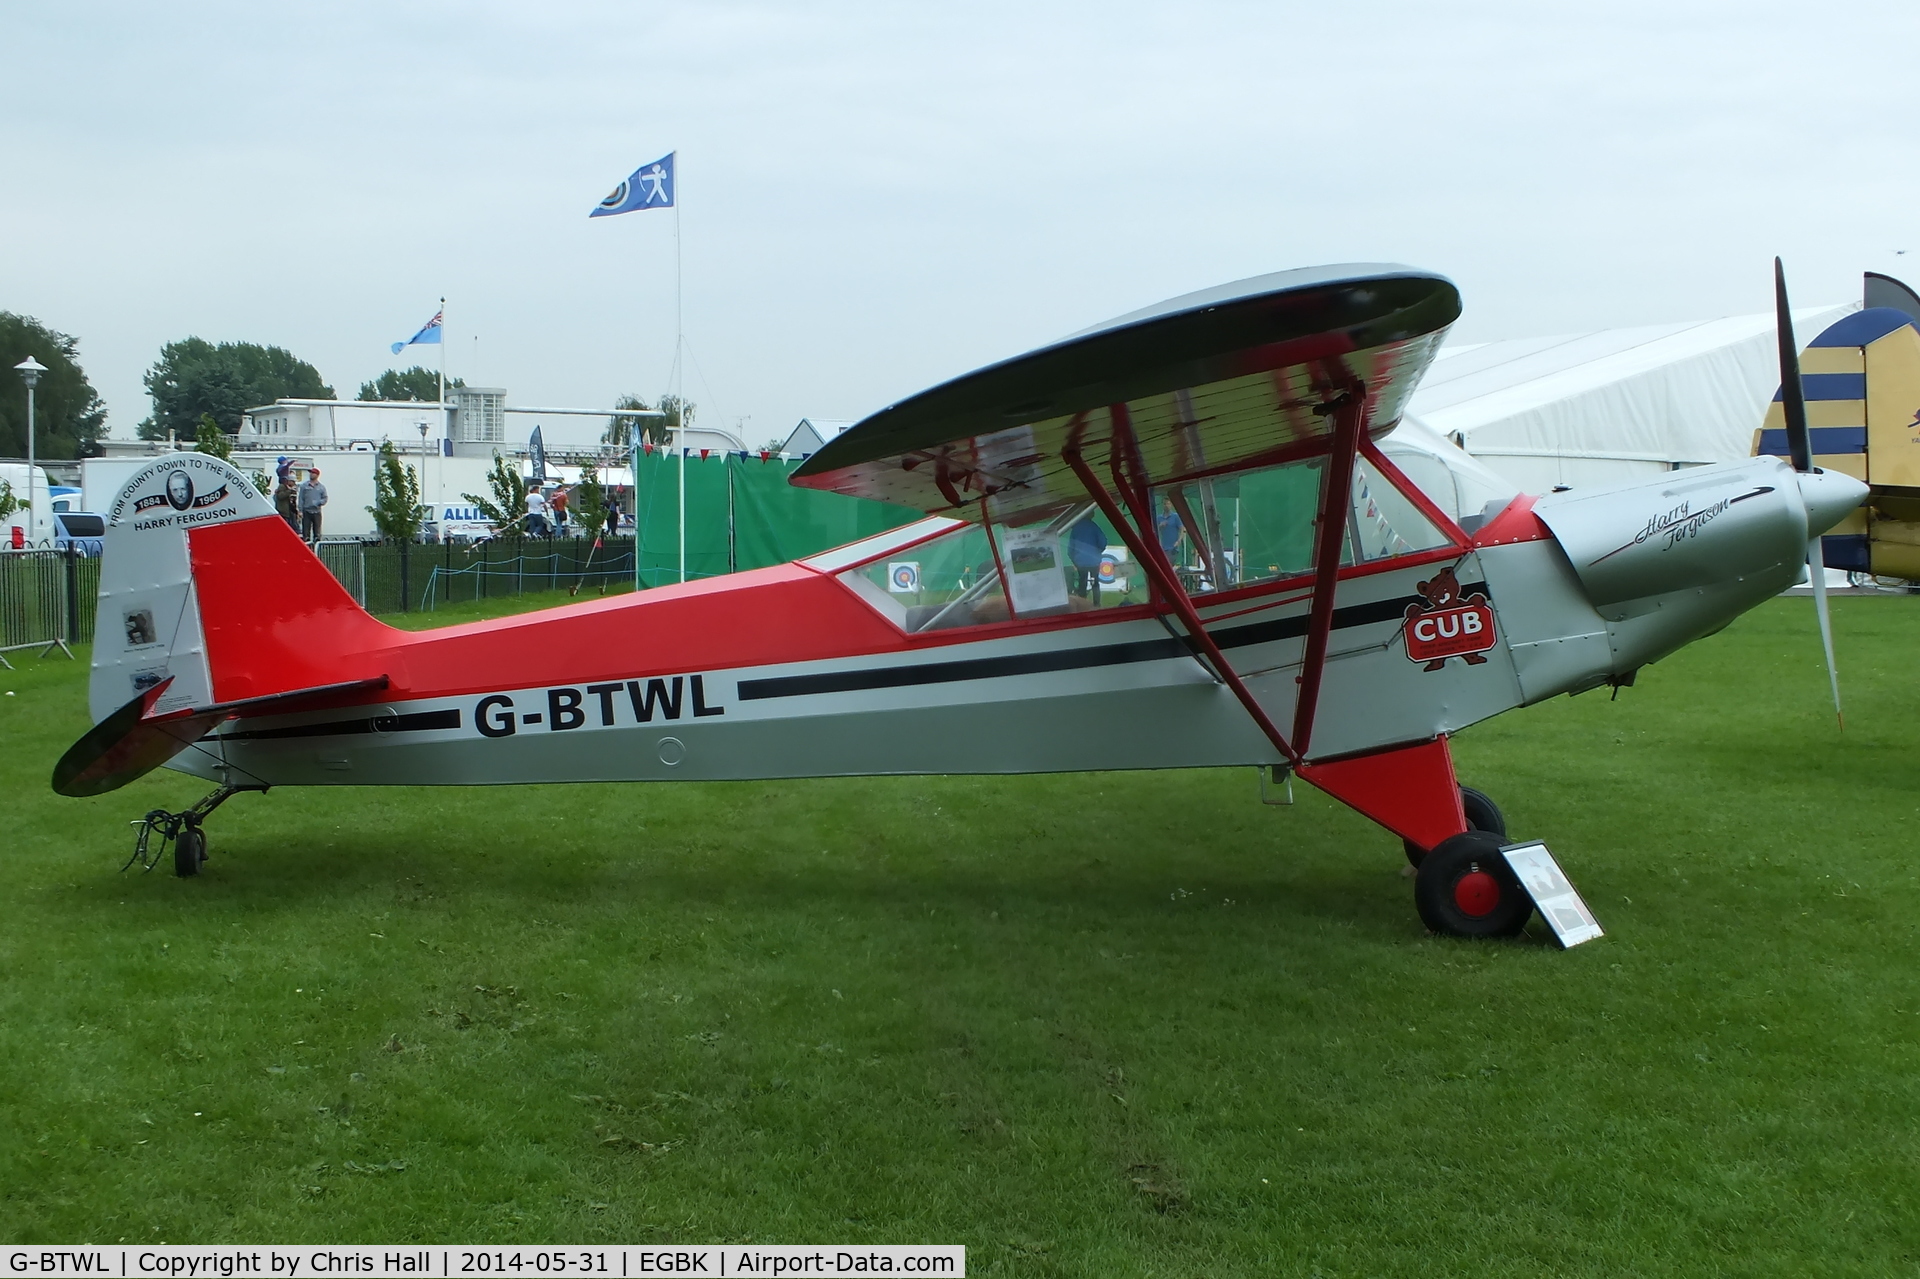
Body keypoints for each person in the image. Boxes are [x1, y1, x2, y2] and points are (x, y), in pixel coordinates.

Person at [298, 468, 328, 542]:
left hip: (317, 512)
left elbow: (325, 498)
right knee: (306, 532)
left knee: (317, 532)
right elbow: (301, 498)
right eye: (310, 473)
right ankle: (307, 548)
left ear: (317, 475)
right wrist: (300, 510)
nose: (311, 474)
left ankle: (316, 547)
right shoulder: (304, 486)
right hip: (306, 511)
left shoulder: (321, 487)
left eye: (313, 473)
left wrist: (319, 502)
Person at [273, 467, 298, 531]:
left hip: (291, 511)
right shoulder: (282, 486)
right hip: (283, 512)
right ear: (289, 481)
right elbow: (280, 496)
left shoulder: (292, 488)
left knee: (293, 526)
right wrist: (289, 491)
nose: (294, 484)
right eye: (293, 482)